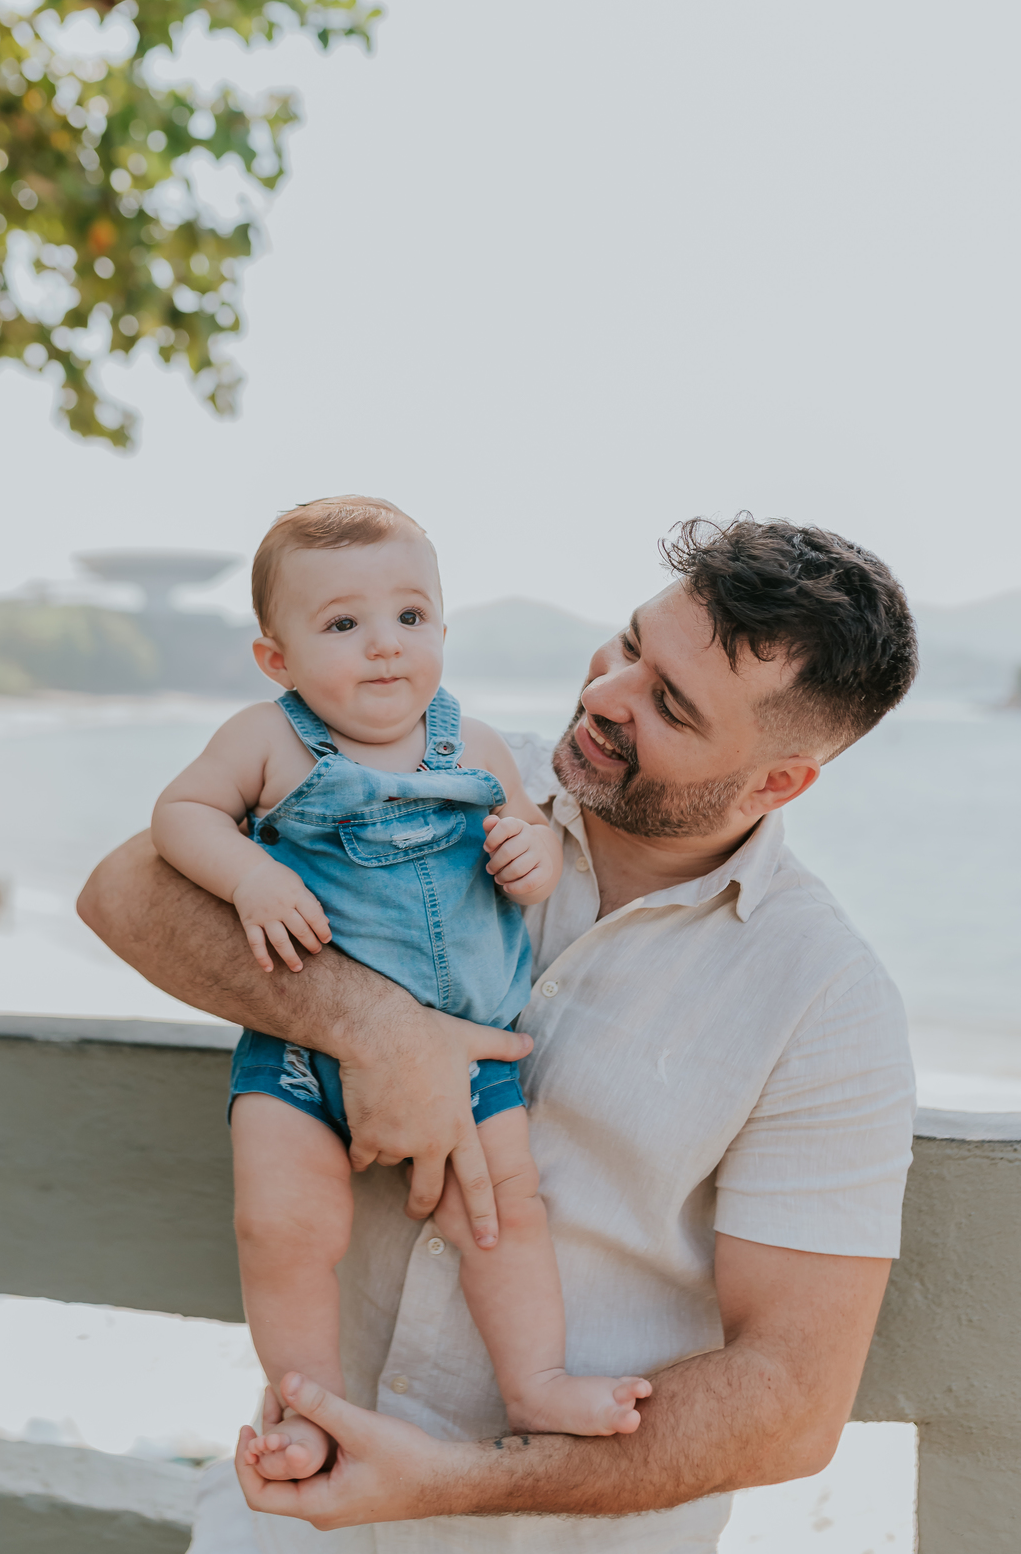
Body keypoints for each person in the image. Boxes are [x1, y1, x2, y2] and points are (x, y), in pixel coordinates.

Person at [78, 514, 919, 1552]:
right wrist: (377, 1030)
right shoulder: (444, 767)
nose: (606, 695)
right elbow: (124, 888)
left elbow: (791, 1403)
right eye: (629, 643)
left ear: (777, 781)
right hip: (286, 1528)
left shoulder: (827, 1001)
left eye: (668, 703)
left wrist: (453, 1484)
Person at [149, 497, 650, 1481]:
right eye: (343, 624)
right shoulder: (266, 740)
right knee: (282, 1226)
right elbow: (181, 814)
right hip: (299, 1047)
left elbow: (532, 845)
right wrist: (249, 877)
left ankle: (536, 1380)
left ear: (444, 630)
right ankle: (306, 1408)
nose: (385, 645)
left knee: (502, 1214)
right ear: (278, 659)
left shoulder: (478, 746)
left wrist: (531, 856)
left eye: (411, 617)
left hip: (467, 1047)